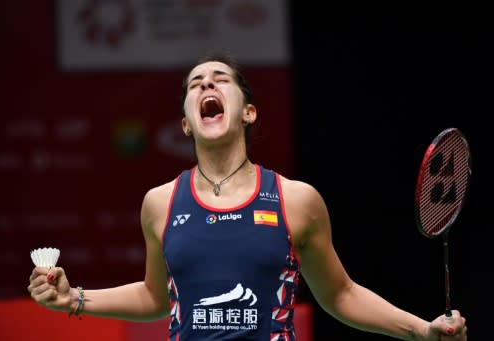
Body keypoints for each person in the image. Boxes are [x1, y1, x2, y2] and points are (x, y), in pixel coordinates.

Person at [28, 50, 468, 341]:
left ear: (248, 112)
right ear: (186, 122)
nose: (206, 87)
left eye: (220, 80)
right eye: (195, 84)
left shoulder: (296, 200)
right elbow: (156, 298)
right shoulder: (159, 203)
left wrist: (421, 331)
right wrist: (75, 299)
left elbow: (341, 295)